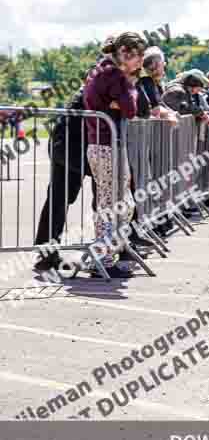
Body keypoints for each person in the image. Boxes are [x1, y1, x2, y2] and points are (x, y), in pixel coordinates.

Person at [83, 32, 147, 278]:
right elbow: (132, 109)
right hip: (105, 145)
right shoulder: (112, 74)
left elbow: (128, 107)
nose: (140, 61)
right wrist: (126, 95)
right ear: (125, 54)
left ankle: (108, 254)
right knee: (111, 204)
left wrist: (119, 102)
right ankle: (102, 258)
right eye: (138, 55)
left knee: (122, 202)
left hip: (108, 144)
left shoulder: (106, 71)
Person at [33, 81, 98, 270]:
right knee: (60, 199)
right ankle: (104, 249)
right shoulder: (98, 86)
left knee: (58, 199)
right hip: (70, 147)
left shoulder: (93, 86)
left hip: (69, 145)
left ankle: (46, 253)